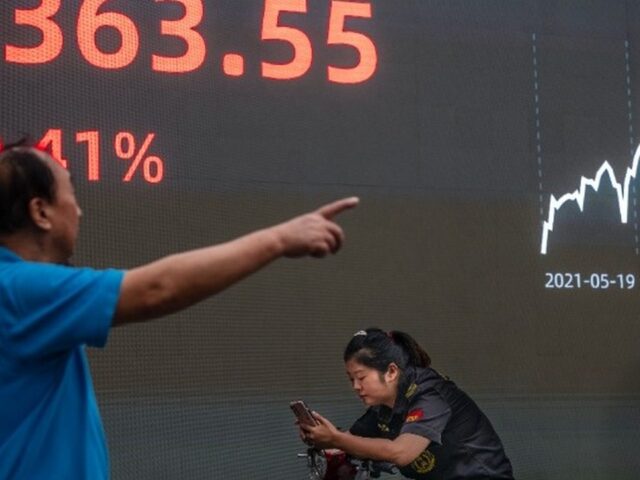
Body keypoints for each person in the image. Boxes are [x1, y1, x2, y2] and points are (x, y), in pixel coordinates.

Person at [0, 139, 359, 479]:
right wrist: (280, 239)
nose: (79, 211)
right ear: (40, 211)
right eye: (71, 196)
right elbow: (158, 289)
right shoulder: (19, 290)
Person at [299, 328, 515, 479]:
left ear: (391, 372)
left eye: (361, 377)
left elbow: (401, 453)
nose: (355, 386)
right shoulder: (383, 407)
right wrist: (321, 437)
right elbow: (352, 441)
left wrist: (336, 439)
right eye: (351, 379)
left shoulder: (430, 395)